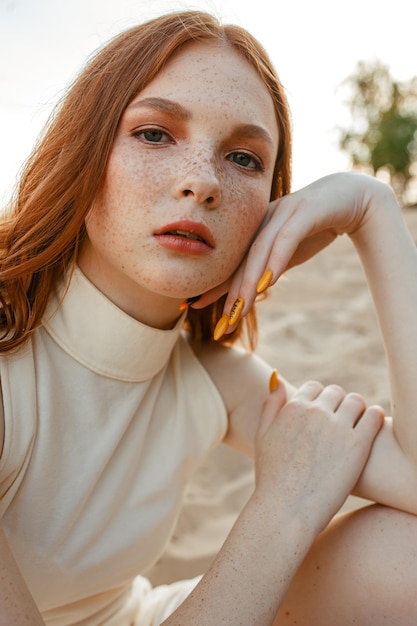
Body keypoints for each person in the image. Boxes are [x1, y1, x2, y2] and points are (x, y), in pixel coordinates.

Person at [0, 9, 416, 625]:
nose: (202, 182)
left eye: (244, 159)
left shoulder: (212, 378)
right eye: (154, 134)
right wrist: (283, 507)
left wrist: (373, 213)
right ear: (82, 155)